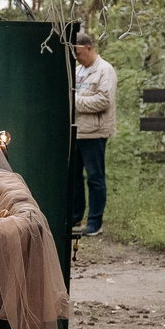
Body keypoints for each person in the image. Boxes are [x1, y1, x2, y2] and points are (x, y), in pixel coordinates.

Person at [69, 32, 116, 237]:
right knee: (75, 177)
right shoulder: (79, 70)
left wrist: (75, 102)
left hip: (95, 132)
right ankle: (75, 216)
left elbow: (104, 100)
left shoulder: (105, 70)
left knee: (95, 178)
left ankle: (95, 222)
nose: (77, 57)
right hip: (78, 130)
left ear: (89, 48)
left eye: (79, 53)